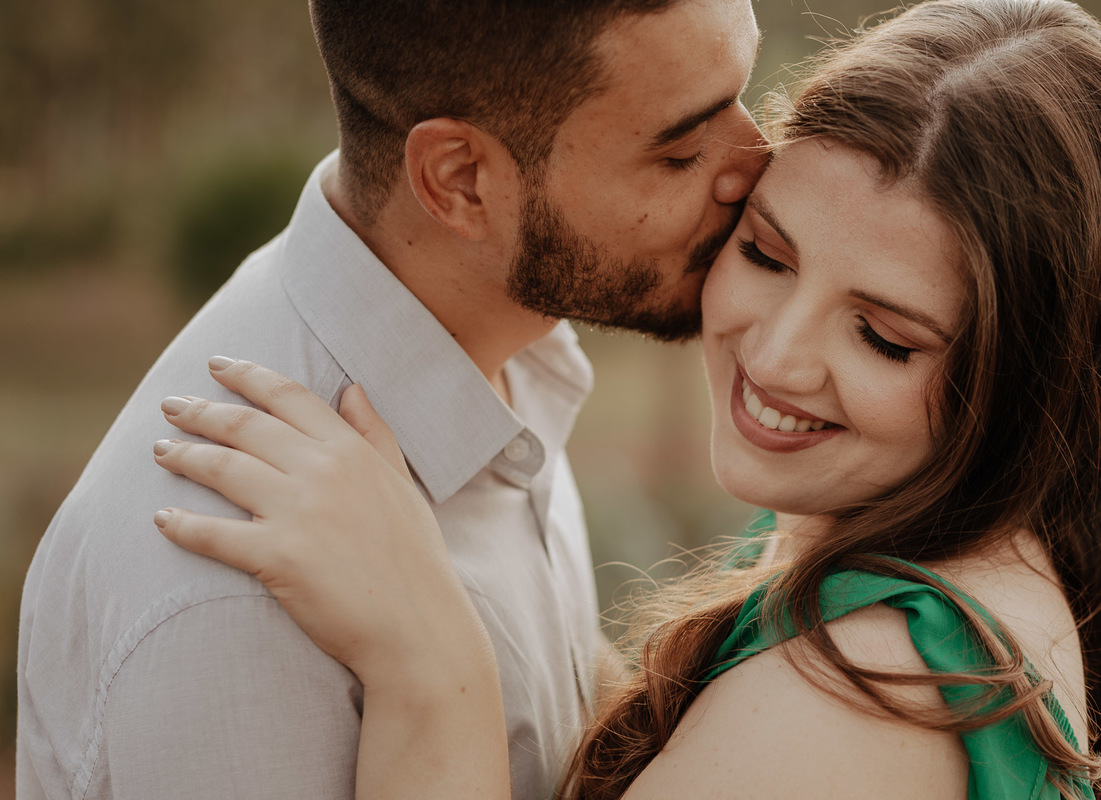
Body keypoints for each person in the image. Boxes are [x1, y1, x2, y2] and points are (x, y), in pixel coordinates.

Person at [148, 0, 1101, 798]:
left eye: (882, 336)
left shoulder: (867, 695)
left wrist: (432, 666)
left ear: (1040, 379)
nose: (777, 355)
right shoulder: (859, 557)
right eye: (769, 253)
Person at [15, 1, 764, 797]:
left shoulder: (502, 345)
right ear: (461, 180)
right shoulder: (233, 603)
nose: (756, 164)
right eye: (682, 150)